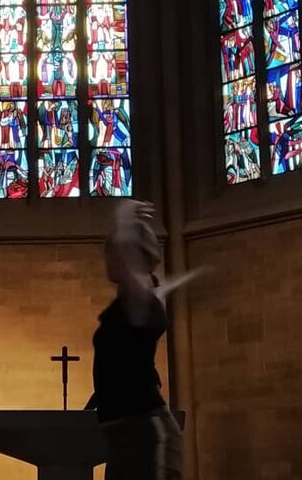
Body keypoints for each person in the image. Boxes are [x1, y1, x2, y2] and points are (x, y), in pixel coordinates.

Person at [91, 200, 208, 480]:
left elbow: (135, 274)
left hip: (146, 433)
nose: (110, 257)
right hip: (124, 433)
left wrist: (124, 219)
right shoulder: (131, 302)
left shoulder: (142, 300)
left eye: (116, 250)